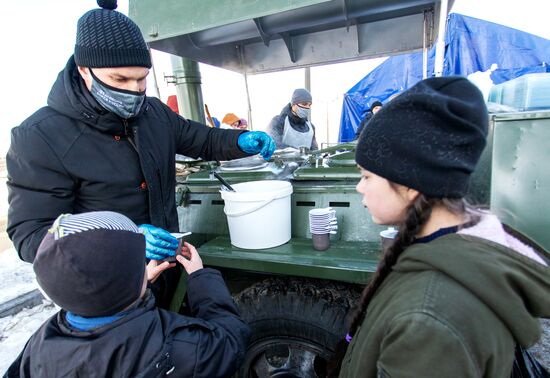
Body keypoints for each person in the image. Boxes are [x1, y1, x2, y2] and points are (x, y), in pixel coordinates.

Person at [6, 0, 275, 306]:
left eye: (142, 78)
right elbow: (32, 234)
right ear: (84, 70)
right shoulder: (40, 136)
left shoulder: (154, 114)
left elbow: (201, 139)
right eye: (120, 80)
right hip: (106, 292)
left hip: (166, 274)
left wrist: (240, 141)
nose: (135, 89)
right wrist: (123, 239)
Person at [329, 77, 550, 377]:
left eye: (366, 175)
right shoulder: (449, 249)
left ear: (409, 185)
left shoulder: (430, 320)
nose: (359, 187)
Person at [5, 211, 251, 378]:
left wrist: (136, 284)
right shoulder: (174, 346)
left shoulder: (40, 342)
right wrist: (200, 276)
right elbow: (230, 340)